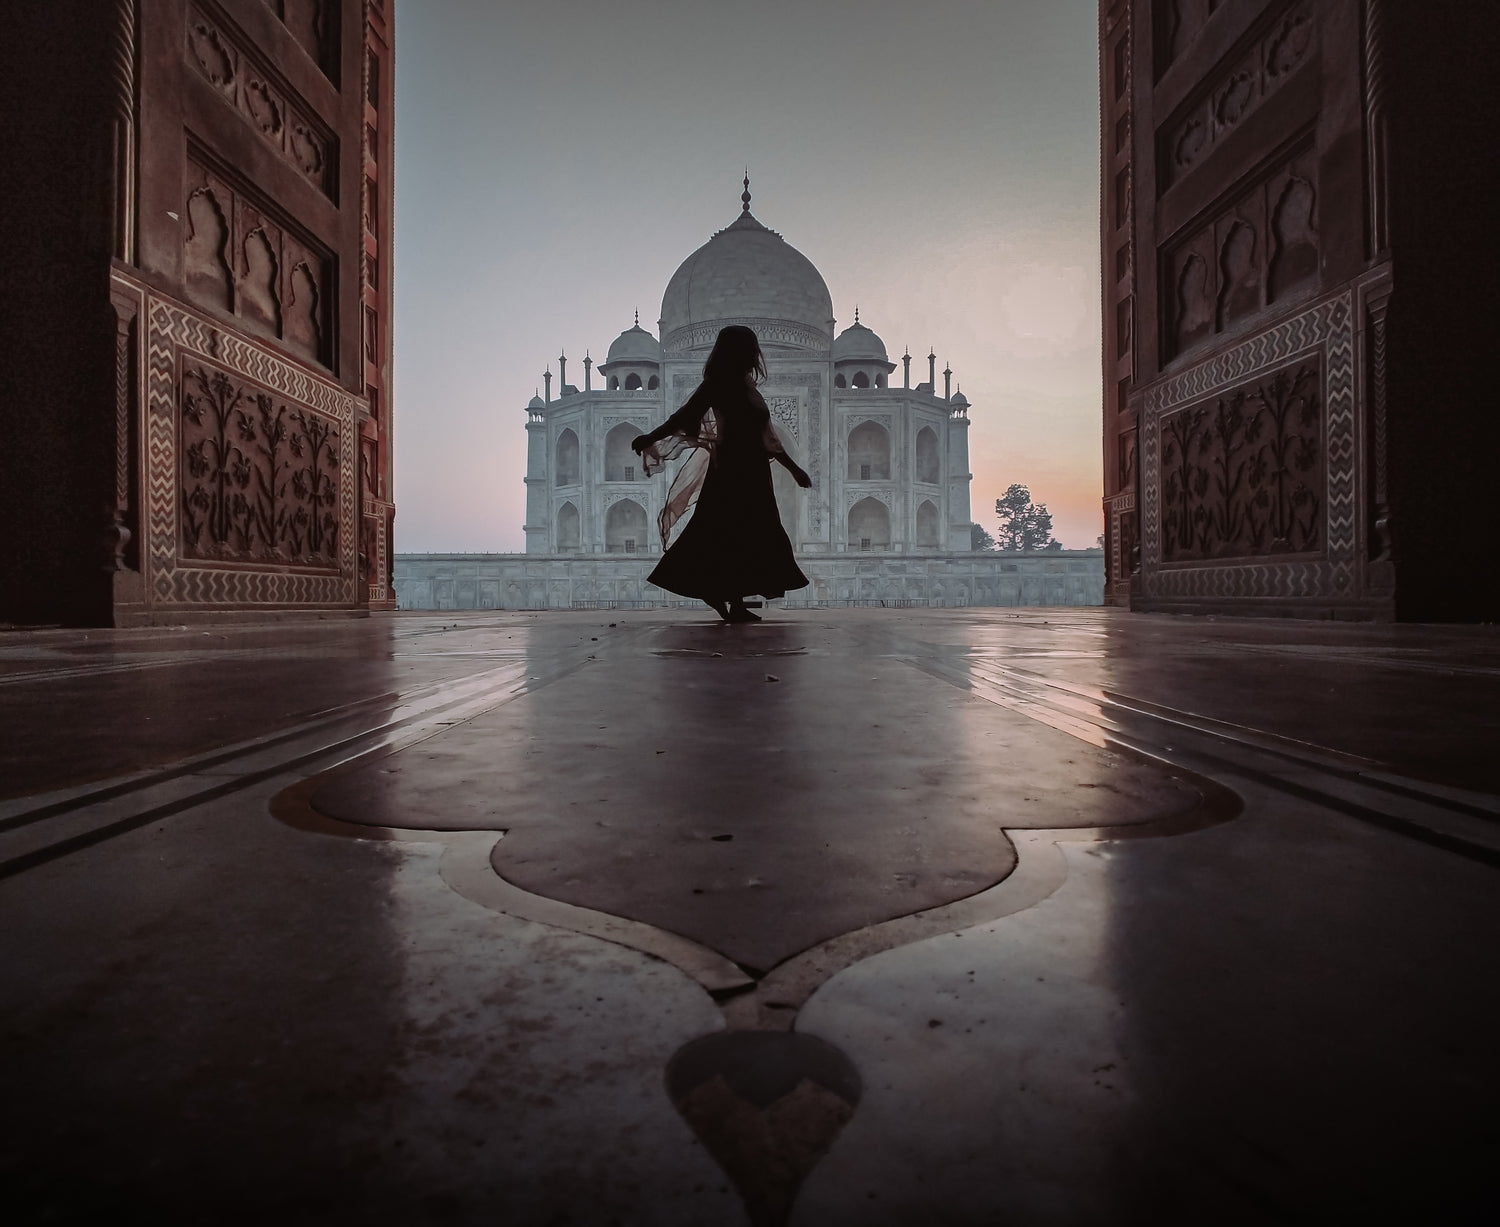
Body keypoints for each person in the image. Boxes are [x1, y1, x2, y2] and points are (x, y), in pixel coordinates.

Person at [632, 325, 811, 622]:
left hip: (753, 472)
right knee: (724, 533)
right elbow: (684, 416)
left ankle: (734, 601)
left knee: (749, 534)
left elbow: (768, 438)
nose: (756, 354)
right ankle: (725, 596)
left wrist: (794, 470)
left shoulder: (747, 387)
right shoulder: (717, 384)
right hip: (730, 471)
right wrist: (651, 437)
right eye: (751, 348)